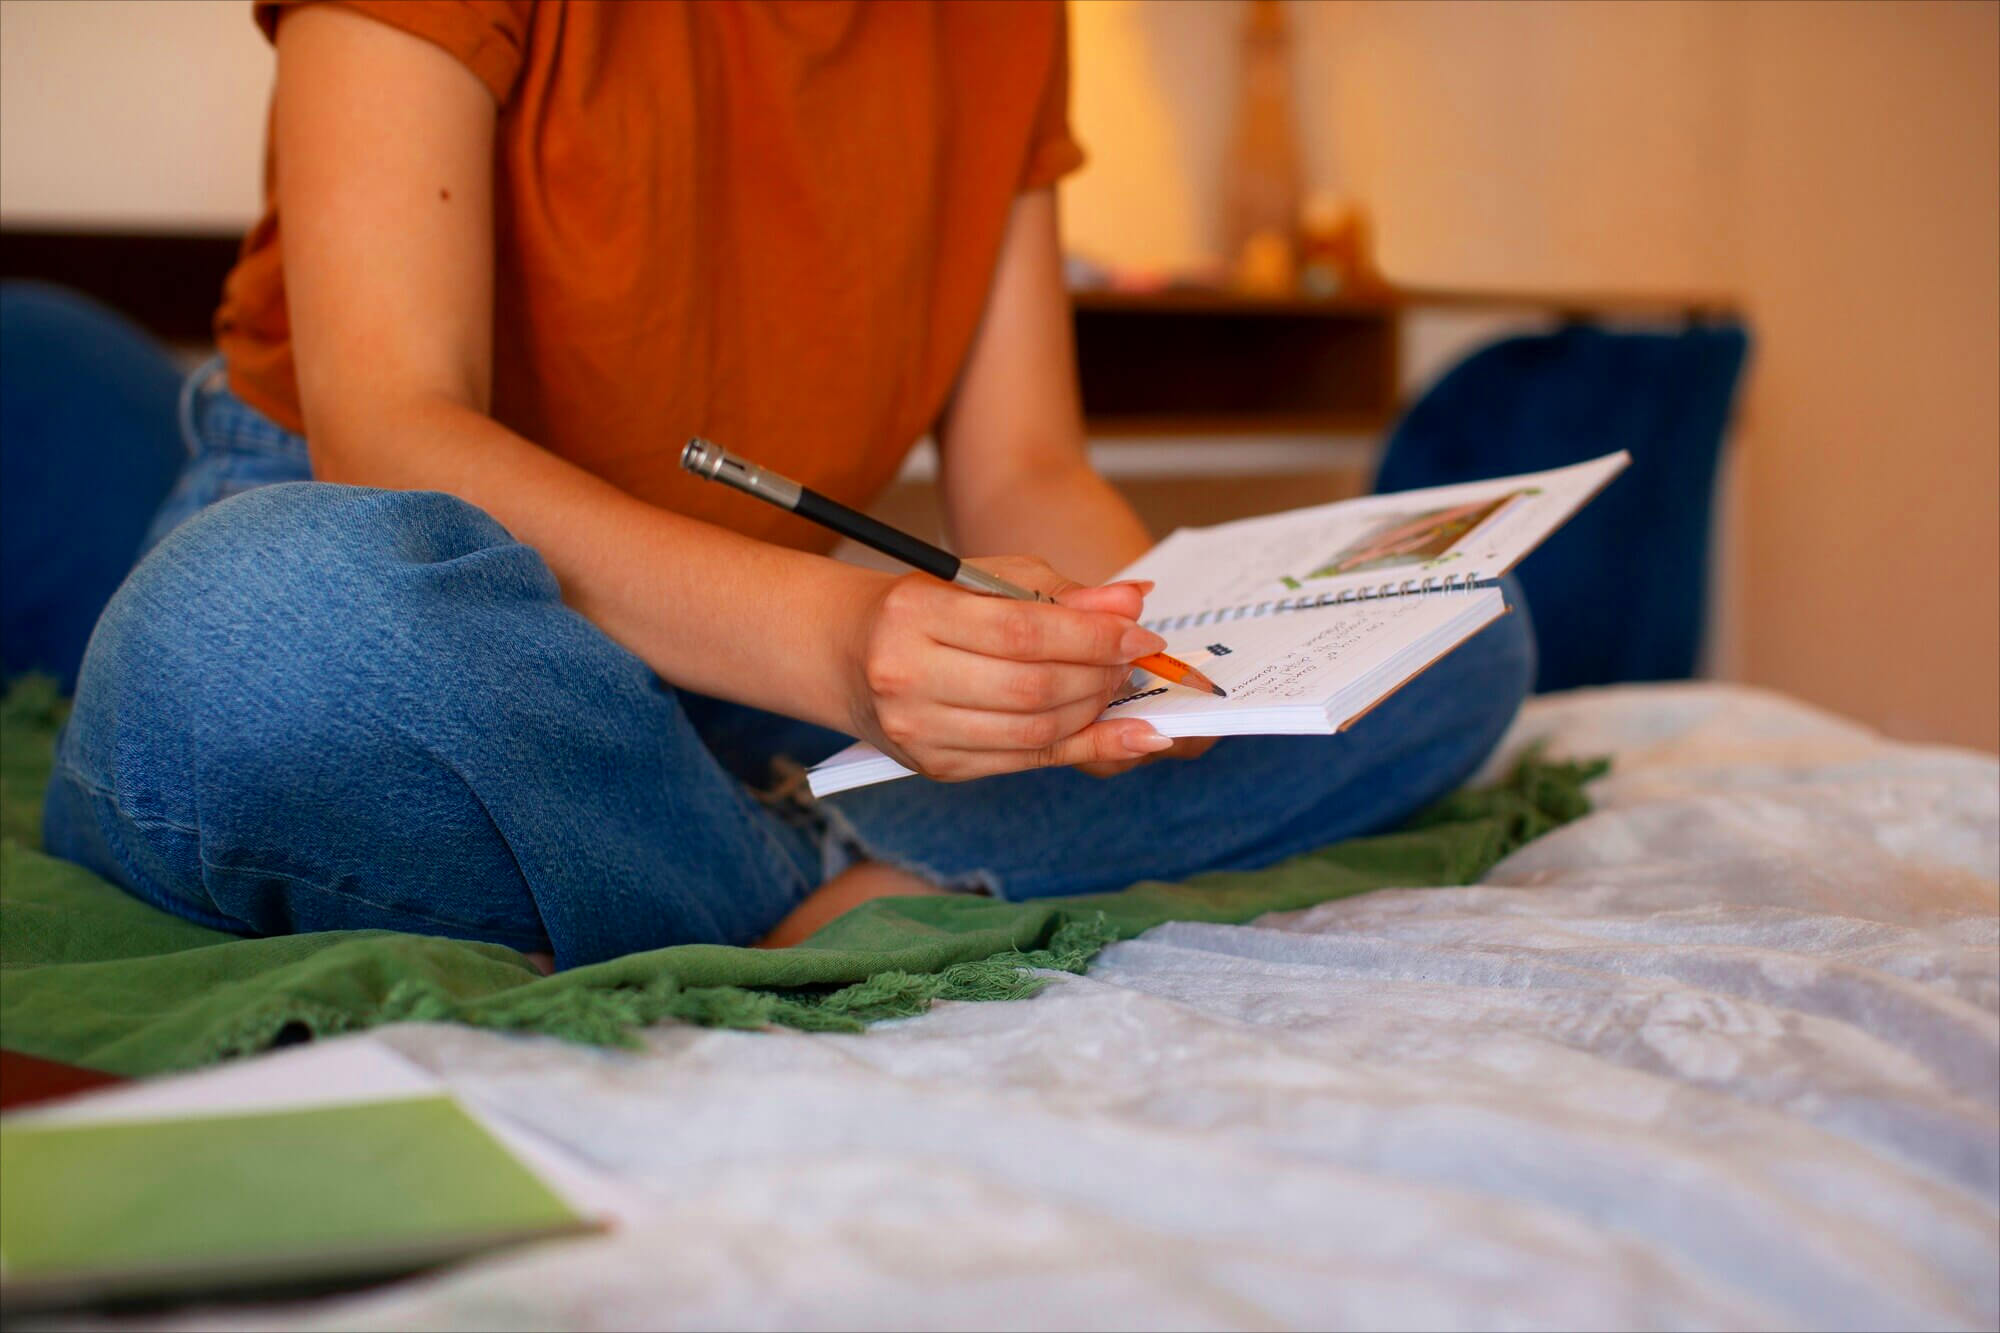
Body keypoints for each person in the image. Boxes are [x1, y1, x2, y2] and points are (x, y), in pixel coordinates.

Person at [46, 0, 1533, 970]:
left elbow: (1025, 472)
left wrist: (1129, 653)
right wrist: (840, 640)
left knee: (1470, 624)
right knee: (258, 642)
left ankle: (743, 865)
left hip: (755, 673)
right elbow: (389, 428)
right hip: (444, 610)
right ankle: (811, 875)